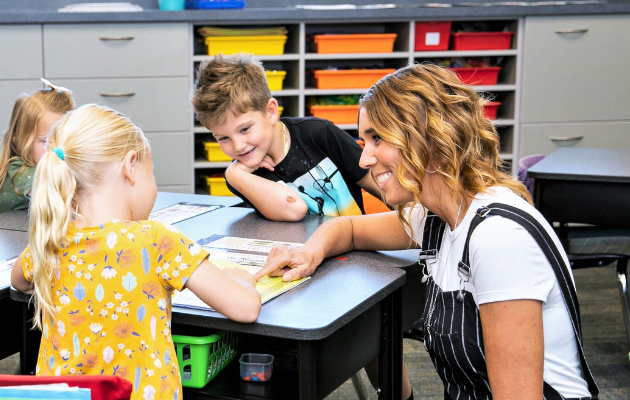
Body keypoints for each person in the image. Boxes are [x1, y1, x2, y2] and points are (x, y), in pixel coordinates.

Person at [255, 64, 597, 400]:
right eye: (364, 141)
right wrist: (308, 254)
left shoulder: (497, 238)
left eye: (378, 139)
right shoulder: (437, 214)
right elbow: (349, 229)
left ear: (429, 137)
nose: (364, 159)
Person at [10, 104, 261, 400]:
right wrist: (242, 279)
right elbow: (245, 309)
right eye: (151, 173)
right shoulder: (156, 240)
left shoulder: (49, 241)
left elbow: (19, 280)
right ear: (130, 167)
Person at [191, 53, 381, 221]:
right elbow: (293, 209)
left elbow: (380, 186)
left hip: (354, 251)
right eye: (223, 138)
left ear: (271, 111)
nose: (238, 146)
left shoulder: (319, 133)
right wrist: (234, 174)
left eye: (245, 129)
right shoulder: (242, 176)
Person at [0, 79, 74, 219]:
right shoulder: (18, 171)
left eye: (63, 139)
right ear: (20, 142)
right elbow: (53, 195)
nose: (57, 148)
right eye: (46, 141)